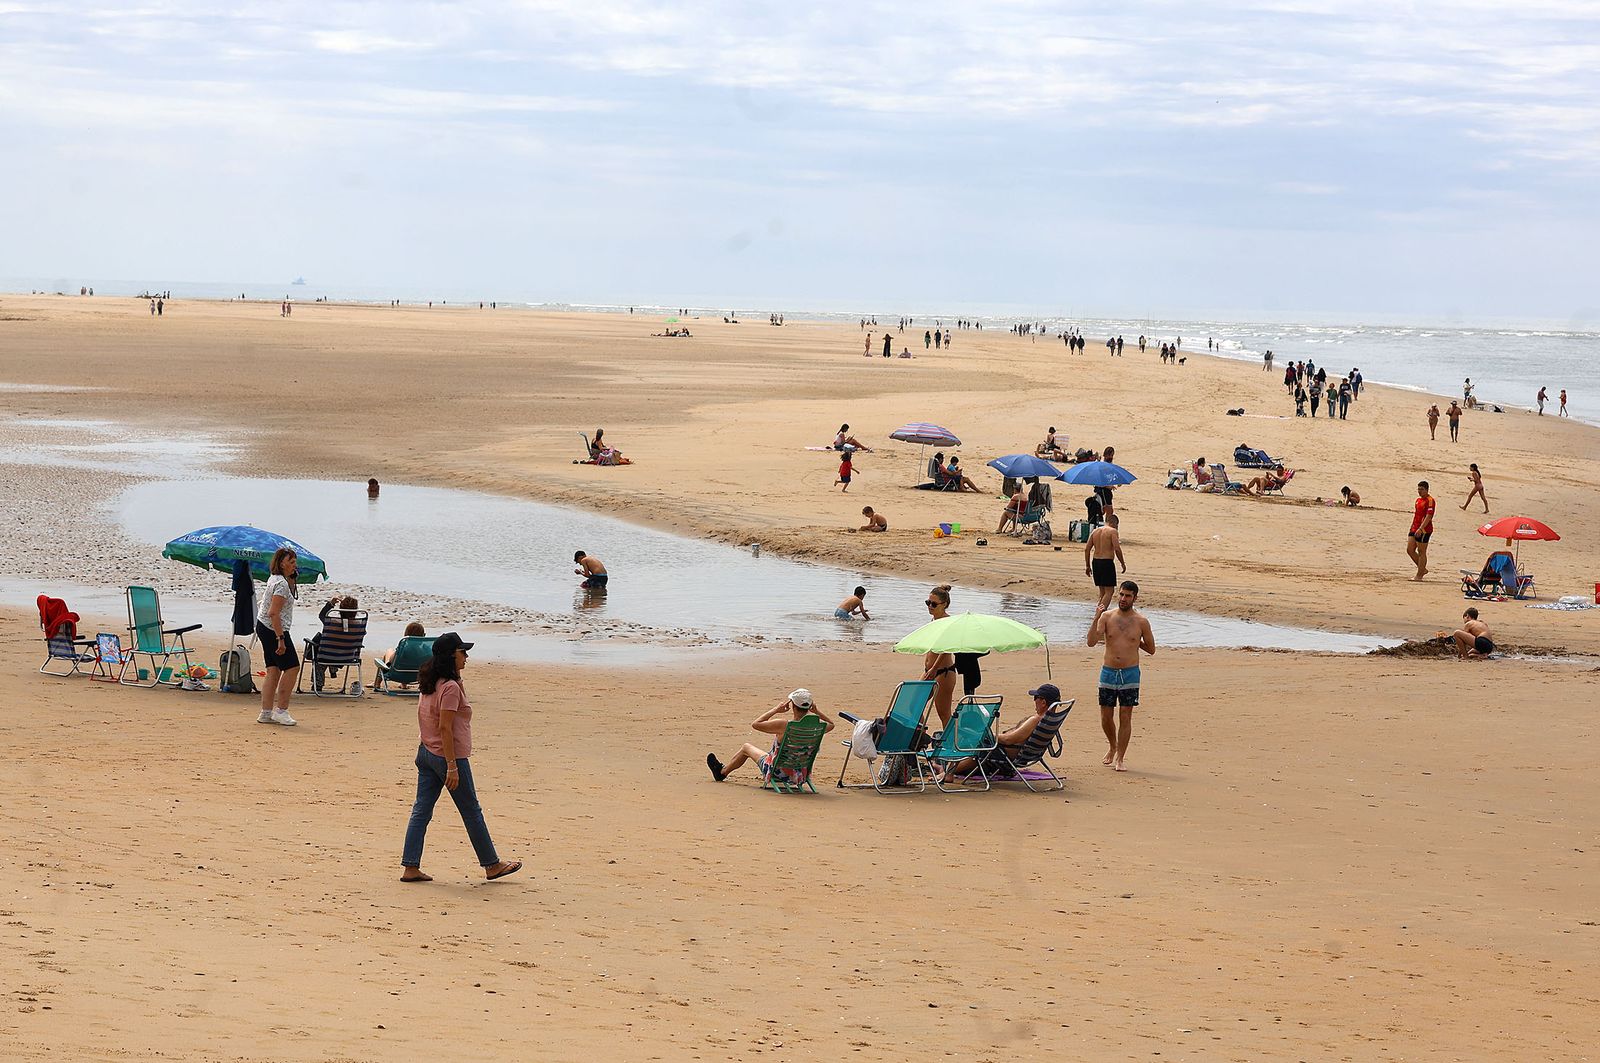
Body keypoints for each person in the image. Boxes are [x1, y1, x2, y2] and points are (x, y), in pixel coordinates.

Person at [400, 633, 522, 883]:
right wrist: (452, 766)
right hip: (446, 757)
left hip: (426, 752)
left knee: (421, 811)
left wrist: (458, 676)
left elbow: (440, 714)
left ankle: (410, 866)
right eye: (462, 652)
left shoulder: (432, 681)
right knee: (471, 811)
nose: (466, 656)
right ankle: (491, 864)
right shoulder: (450, 687)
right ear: (450, 656)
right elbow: (445, 727)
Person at [1087, 581, 1156, 772]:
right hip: (1108, 671)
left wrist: (1134, 642)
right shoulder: (1107, 617)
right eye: (1122, 595)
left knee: (1125, 715)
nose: (1123, 599)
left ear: (1135, 598)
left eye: (1128, 596)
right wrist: (1096, 617)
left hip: (1130, 673)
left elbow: (1151, 649)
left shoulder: (1141, 621)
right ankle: (1112, 745)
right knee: (1106, 716)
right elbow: (1091, 642)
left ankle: (1120, 758)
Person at [933, 683, 1063, 782]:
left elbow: (1009, 740)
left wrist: (989, 736)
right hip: (1020, 754)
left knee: (970, 740)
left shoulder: (1036, 719)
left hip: (1005, 753)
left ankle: (947, 772)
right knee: (973, 737)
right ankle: (944, 768)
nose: (1034, 701)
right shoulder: (1050, 719)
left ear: (1043, 702)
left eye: (1035, 697)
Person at [706, 689, 835, 785]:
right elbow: (831, 725)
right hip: (799, 774)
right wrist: (817, 712)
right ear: (809, 706)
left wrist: (775, 710)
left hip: (777, 771)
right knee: (766, 753)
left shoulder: (784, 725)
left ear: (793, 706)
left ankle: (722, 772)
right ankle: (722, 771)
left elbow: (756, 724)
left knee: (746, 747)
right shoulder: (817, 726)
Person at [255, 547, 301, 727]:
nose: (294, 565)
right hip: (273, 628)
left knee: (273, 669)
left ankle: (266, 712)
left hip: (264, 626)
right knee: (292, 667)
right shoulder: (280, 584)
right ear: (281, 563)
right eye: (291, 562)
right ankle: (281, 710)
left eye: (295, 562)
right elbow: (273, 613)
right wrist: (280, 639)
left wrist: (292, 580)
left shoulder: (277, 579)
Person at [920, 586, 958, 726]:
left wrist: (934, 668)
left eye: (934, 604)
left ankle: (951, 744)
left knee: (944, 714)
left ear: (945, 605)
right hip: (929, 671)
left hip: (943, 673)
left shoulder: (947, 622)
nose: (930, 606)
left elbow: (946, 649)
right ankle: (919, 735)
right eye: (928, 602)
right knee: (914, 706)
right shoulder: (934, 620)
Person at [1084, 522, 1125, 619]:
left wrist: (1087, 565)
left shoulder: (1095, 531)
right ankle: (1099, 615)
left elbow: (1087, 549)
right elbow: (1117, 548)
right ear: (1116, 524)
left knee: (1103, 592)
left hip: (1096, 562)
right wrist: (1122, 562)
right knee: (1109, 591)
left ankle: (1099, 614)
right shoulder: (1113, 531)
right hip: (1106, 562)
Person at [1407, 480, 1435, 581]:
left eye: (1422, 489)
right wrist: (1412, 527)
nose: (1419, 491)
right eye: (1418, 489)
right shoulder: (1418, 500)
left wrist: (1421, 528)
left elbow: (1429, 516)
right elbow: (1416, 515)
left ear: (1427, 490)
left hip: (1424, 529)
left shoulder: (1430, 500)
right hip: (1414, 527)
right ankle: (1422, 569)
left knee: (1421, 551)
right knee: (1410, 550)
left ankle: (1419, 575)